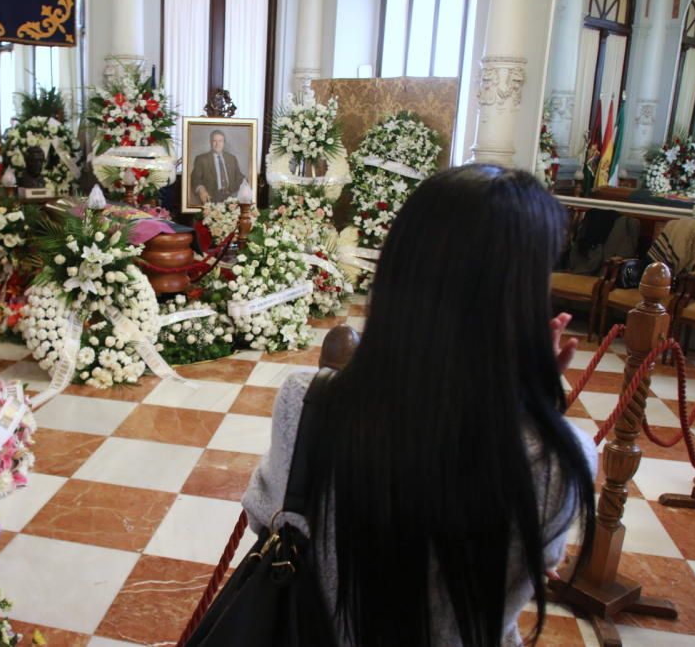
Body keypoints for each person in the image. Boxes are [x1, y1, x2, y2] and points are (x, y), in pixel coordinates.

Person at [243, 165, 598, 646]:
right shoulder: (559, 457)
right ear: (516, 301)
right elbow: (540, 567)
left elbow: (268, 518)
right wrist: (535, 402)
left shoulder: (307, 403)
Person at [190, 129, 245, 206]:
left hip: (231, 198)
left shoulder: (232, 158)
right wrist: (201, 189)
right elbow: (195, 178)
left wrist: (236, 189)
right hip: (211, 198)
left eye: (220, 141)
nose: (217, 144)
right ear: (210, 142)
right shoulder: (201, 159)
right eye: (214, 141)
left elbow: (240, 177)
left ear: (224, 143)